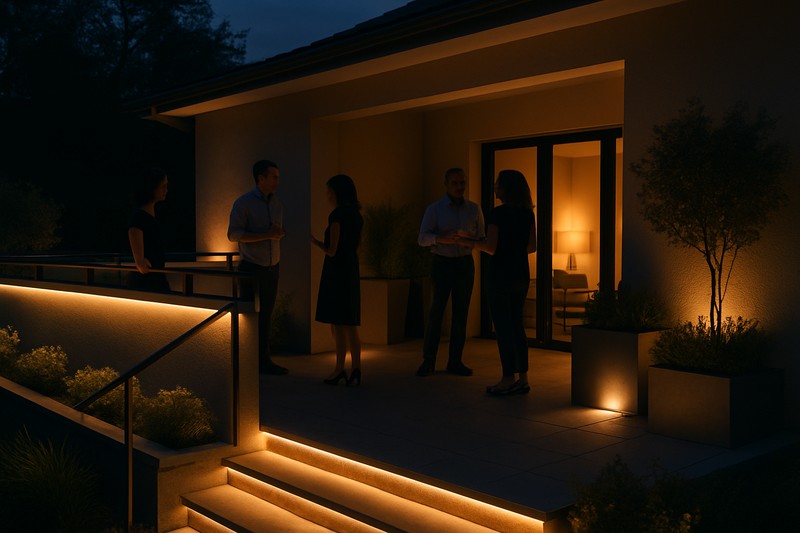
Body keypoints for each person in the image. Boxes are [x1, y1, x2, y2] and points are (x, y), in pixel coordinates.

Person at [467, 169, 536, 395]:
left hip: (500, 274)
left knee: (504, 327)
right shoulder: (528, 214)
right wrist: (514, 249)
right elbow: (531, 247)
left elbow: (490, 247)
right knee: (517, 325)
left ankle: (507, 378)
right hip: (520, 273)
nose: (495, 187)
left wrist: (469, 242)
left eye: (498, 184)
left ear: (505, 188)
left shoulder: (497, 213)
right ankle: (523, 378)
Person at [416, 167, 485, 377]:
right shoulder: (435, 209)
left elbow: (482, 238)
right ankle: (428, 361)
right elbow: (422, 238)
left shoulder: (474, 209)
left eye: (462, 183)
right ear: (446, 184)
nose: (459, 187)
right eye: (455, 183)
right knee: (436, 313)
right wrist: (440, 238)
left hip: (464, 263)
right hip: (442, 263)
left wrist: (467, 239)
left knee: (461, 314)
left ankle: (455, 361)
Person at [227, 160, 288, 375]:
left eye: (277, 177)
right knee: (249, 317)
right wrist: (266, 235)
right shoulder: (243, 203)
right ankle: (246, 361)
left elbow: (274, 233)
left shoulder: (276, 203)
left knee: (266, 316)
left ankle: (264, 361)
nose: (277, 181)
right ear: (260, 179)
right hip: (251, 268)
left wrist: (277, 234)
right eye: (274, 177)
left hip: (272, 267)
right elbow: (233, 234)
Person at [311, 174, 364, 386]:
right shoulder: (357, 216)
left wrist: (316, 242)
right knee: (350, 323)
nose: (328, 196)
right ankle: (357, 368)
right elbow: (358, 247)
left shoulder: (337, 215)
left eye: (329, 192)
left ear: (336, 193)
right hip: (351, 269)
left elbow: (331, 250)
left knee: (338, 323)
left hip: (336, 272)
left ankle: (339, 368)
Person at [127, 167, 170, 291]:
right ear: (152, 188)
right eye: (163, 186)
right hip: (148, 282)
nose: (166, 190)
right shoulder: (139, 218)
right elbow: (134, 231)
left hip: (155, 278)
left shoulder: (148, 217)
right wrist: (139, 259)